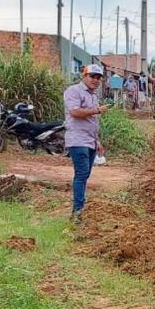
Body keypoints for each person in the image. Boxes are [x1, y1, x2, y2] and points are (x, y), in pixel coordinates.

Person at [63, 64, 106, 219]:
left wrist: (97, 142)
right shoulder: (74, 91)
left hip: (90, 141)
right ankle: (77, 211)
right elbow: (75, 112)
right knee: (81, 174)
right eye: (92, 76)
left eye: (98, 77)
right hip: (78, 140)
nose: (95, 80)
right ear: (84, 76)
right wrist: (97, 110)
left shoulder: (93, 96)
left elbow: (92, 121)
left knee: (85, 175)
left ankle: (79, 208)